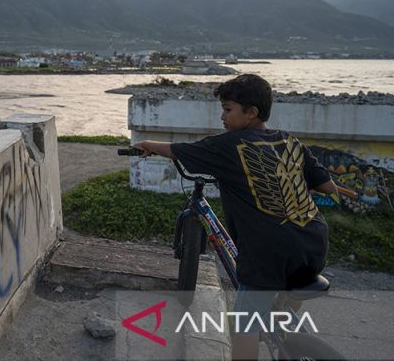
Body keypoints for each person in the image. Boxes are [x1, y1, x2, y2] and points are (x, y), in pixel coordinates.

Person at [133, 74, 339, 361]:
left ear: (251, 112)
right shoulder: (290, 141)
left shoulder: (229, 145)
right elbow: (324, 183)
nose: (222, 116)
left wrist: (145, 143)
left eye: (228, 109)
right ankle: (286, 333)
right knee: (289, 280)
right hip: (315, 242)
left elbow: (177, 150)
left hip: (268, 254)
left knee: (242, 326)